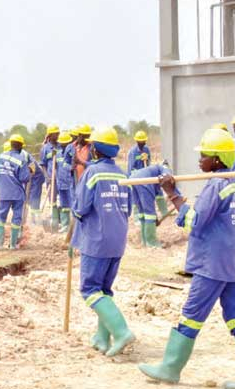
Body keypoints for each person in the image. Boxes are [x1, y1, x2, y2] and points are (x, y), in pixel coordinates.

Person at [140, 129, 235, 389]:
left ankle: (170, 368)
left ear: (217, 160)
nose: (200, 160)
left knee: (191, 316)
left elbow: (194, 222)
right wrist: (177, 194)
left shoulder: (217, 187)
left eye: (204, 155)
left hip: (213, 266)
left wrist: (172, 193)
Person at [70, 126, 135, 358]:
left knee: (89, 289)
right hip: (118, 240)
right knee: (104, 290)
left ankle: (121, 331)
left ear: (95, 149)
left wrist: (75, 212)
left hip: (96, 240)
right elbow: (127, 209)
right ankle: (102, 337)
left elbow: (80, 207)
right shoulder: (122, 174)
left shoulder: (92, 173)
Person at [0, 136, 30, 249]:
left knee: (0, 216)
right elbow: (25, 178)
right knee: (16, 218)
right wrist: (30, 171)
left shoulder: (0, 157)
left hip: (4, 193)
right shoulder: (21, 160)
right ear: (19, 146)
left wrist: (4, 178)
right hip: (17, 194)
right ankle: (13, 245)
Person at [128, 163, 174, 248]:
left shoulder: (154, 175)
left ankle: (144, 240)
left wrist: (158, 216)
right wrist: (153, 218)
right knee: (149, 214)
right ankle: (152, 242)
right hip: (144, 180)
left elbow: (158, 197)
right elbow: (167, 174)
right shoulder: (162, 168)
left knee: (142, 212)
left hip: (133, 179)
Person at [51, 132, 74, 232]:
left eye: (65, 143)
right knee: (64, 204)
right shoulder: (58, 153)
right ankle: (65, 224)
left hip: (70, 182)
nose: (63, 145)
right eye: (62, 143)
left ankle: (73, 226)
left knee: (72, 204)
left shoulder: (72, 154)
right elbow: (55, 167)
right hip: (60, 182)